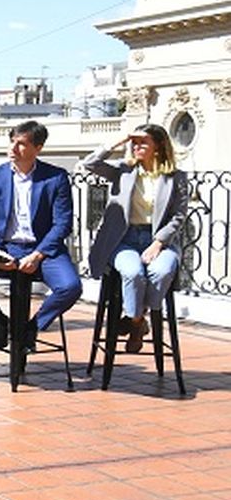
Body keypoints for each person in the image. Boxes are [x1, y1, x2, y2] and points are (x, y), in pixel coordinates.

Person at [0, 120, 81, 353]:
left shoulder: (55, 178)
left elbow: (62, 224)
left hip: (43, 249)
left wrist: (37, 255)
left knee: (70, 287)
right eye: (12, 142)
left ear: (38, 148)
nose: (13, 149)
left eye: (22, 144)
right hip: (3, 246)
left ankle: (32, 327)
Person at [78, 123, 190, 353]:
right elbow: (90, 163)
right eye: (134, 142)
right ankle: (139, 322)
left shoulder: (175, 177)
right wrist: (119, 140)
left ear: (158, 146)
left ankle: (135, 318)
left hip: (159, 239)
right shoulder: (124, 170)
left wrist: (158, 243)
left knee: (162, 271)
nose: (137, 146)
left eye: (143, 142)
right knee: (132, 273)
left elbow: (179, 215)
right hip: (124, 239)